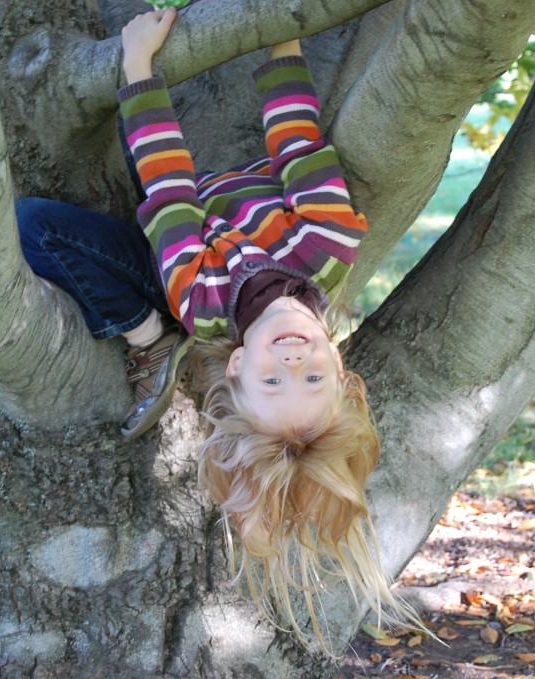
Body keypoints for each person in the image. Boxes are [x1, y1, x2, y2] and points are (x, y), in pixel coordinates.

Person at [115, 9, 415, 648]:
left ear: (234, 368)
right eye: (311, 375)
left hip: (186, 189)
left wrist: (138, 67)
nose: (293, 355)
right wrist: (282, 27)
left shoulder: (199, 298)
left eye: (274, 379)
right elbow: (297, 142)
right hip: (260, 176)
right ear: (339, 364)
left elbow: (168, 192)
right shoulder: (326, 245)